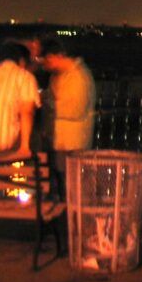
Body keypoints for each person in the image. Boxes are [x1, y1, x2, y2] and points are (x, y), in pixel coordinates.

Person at [41, 37, 96, 198]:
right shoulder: (59, 76)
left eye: (47, 58)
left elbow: (75, 109)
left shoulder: (79, 77)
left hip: (73, 143)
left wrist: (49, 104)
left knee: (72, 185)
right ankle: (68, 215)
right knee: (64, 183)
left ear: (57, 56)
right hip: (61, 142)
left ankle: (73, 217)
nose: (45, 63)